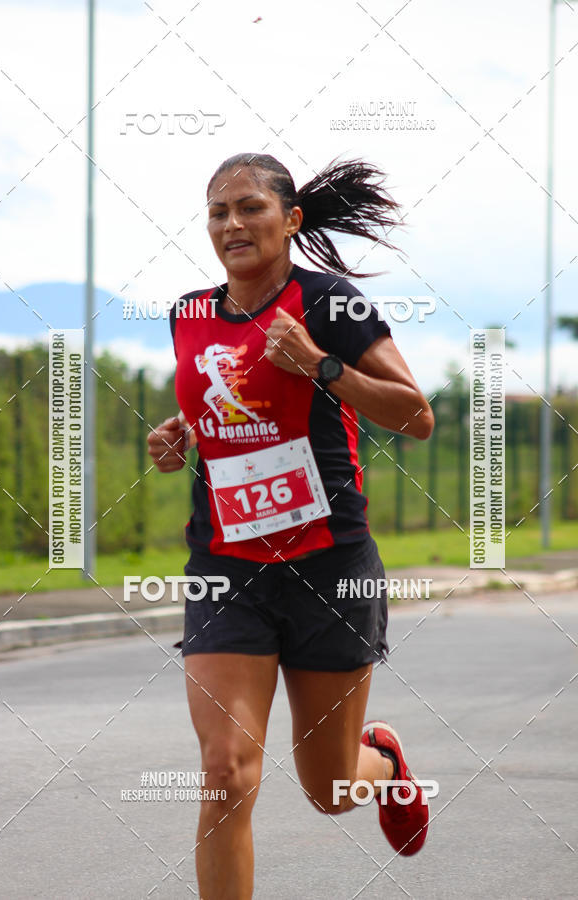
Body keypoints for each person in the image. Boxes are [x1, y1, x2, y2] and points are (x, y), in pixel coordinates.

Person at [147, 153, 435, 899]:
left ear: (291, 219)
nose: (232, 224)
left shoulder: (330, 305)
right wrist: (182, 434)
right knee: (225, 772)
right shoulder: (189, 313)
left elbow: (417, 415)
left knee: (331, 789)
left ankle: (384, 764)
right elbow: (232, 396)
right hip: (227, 567)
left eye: (251, 207)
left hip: (328, 566)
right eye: (218, 212)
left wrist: (321, 367)